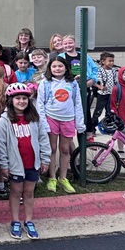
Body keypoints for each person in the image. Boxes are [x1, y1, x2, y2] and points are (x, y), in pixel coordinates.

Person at [0, 83, 50, 240]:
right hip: (15, 165)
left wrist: (45, 159)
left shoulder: (34, 118)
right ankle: (15, 221)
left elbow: (43, 139)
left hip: (32, 163)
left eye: (24, 98)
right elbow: (1, 144)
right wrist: (4, 165)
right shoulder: (5, 120)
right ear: (11, 100)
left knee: (28, 192)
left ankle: (29, 220)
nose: (21, 101)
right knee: (15, 192)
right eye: (17, 98)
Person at [36, 55, 85, 194]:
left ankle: (63, 178)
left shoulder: (72, 83)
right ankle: (52, 177)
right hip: (51, 118)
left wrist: (79, 122)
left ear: (65, 68)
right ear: (50, 68)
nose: (57, 69)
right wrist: (43, 123)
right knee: (52, 148)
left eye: (60, 66)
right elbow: (40, 104)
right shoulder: (45, 83)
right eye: (54, 66)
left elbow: (77, 102)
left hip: (68, 119)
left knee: (64, 149)